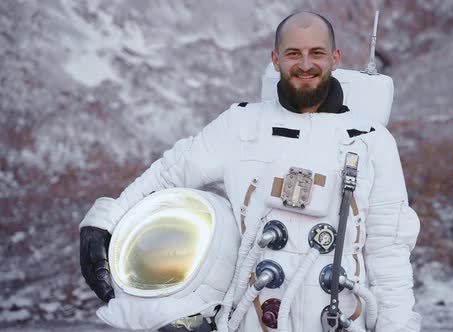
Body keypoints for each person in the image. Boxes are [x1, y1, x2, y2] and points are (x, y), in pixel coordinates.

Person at [80, 11, 421, 332]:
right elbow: (169, 176)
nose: (305, 65)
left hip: (339, 317)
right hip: (254, 319)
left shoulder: (371, 142)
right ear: (275, 60)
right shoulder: (241, 126)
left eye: (316, 53)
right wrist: (104, 223)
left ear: (334, 58)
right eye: (293, 54)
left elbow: (388, 251)